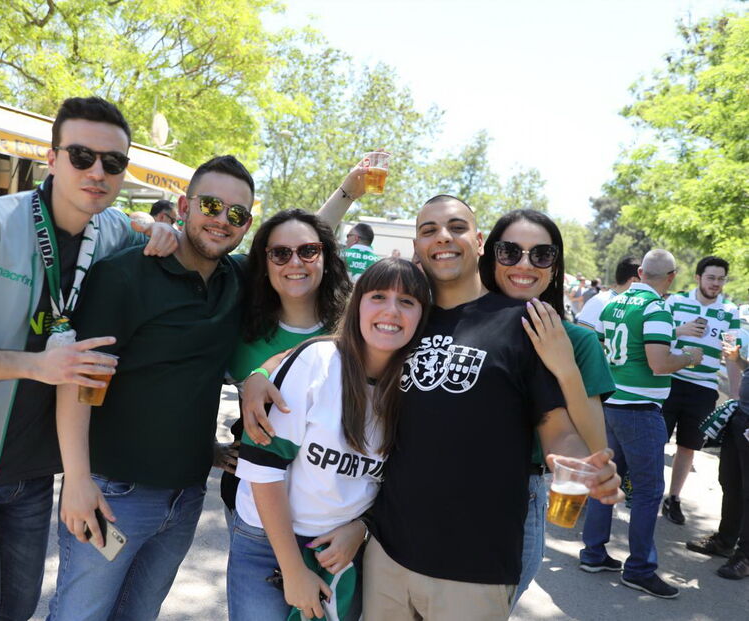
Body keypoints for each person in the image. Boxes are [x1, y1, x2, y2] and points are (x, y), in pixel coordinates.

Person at [242, 194, 623, 621]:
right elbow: (336, 345)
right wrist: (259, 373)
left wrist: (581, 462)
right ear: (417, 246)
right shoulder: (406, 315)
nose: (443, 237)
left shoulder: (521, 323)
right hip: (386, 557)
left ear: (478, 241)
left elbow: (557, 427)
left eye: (457, 227)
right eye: (429, 230)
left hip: (475, 567)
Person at [0, 96, 178, 621]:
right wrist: (35, 366)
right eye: (81, 156)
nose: (97, 171)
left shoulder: (111, 232)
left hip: (35, 474)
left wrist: (156, 225)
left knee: (13, 611)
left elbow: (146, 230)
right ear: (51, 158)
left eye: (113, 163)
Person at [49, 155, 361, 621]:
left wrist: (348, 191)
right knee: (80, 614)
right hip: (114, 492)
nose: (221, 221)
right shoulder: (126, 274)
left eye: (236, 214)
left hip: (185, 494)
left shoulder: (236, 280)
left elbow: (299, 245)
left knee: (138, 614)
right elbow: (82, 383)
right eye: (211, 206)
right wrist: (76, 481)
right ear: (184, 205)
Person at [228, 258, 431, 620]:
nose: (391, 311)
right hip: (269, 542)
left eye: (407, 302)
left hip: (342, 552)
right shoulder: (317, 362)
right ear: (357, 304)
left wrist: (362, 529)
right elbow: (263, 470)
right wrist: (293, 571)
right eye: (378, 296)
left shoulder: (415, 387)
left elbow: (396, 483)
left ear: (421, 316)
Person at [477, 209, 614, 604]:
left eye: (541, 255)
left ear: (555, 267)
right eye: (510, 252)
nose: (524, 264)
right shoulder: (455, 322)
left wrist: (563, 365)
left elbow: (593, 444)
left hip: (524, 494)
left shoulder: (579, 341)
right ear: (490, 257)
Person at [579, 249, 704, 599]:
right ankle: (639, 569)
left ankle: (593, 553)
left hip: (611, 403)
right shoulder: (656, 308)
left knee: (605, 480)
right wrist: (690, 357)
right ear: (671, 277)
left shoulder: (614, 302)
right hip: (639, 409)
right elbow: (659, 363)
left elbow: (599, 348)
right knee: (648, 492)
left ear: (640, 272)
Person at [221, 207, 352, 514]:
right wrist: (207, 451)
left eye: (308, 251)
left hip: (332, 513)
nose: (295, 262)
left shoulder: (355, 327)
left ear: (325, 258)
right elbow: (188, 386)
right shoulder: (242, 332)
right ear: (264, 264)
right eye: (280, 253)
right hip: (251, 508)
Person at [660, 256, 740, 525]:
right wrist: (680, 330)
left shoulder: (729, 312)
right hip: (670, 380)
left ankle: (673, 498)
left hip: (704, 387)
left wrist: (736, 397)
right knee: (655, 439)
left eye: (720, 279)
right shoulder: (675, 302)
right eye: (711, 277)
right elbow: (655, 336)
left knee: (688, 446)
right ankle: (641, 491)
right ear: (698, 277)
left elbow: (732, 355)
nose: (715, 283)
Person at [686, 339, 749, 579]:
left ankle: (745, 556)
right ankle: (725, 541)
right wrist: (738, 361)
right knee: (730, 482)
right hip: (741, 417)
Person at [576, 257, 640, 333]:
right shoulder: (599, 301)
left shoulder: (634, 305)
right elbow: (583, 335)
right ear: (634, 280)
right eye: (642, 281)